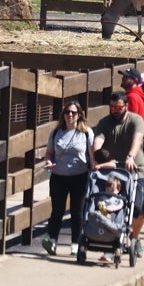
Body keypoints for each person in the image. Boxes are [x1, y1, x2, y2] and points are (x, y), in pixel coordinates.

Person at [92, 91, 144, 257]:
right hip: (112, 171)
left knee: (138, 209)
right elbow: (98, 141)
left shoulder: (135, 120)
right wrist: (97, 156)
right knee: (107, 206)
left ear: (126, 106)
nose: (114, 110)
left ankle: (135, 238)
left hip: (134, 171)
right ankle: (110, 239)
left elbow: (138, 139)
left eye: (118, 107)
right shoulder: (104, 122)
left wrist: (130, 156)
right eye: (112, 107)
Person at [41, 101, 93, 256]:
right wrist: (49, 162)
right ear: (63, 115)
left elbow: (91, 155)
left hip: (80, 176)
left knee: (77, 211)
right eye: (67, 112)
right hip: (58, 176)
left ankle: (76, 243)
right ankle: (52, 240)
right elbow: (49, 153)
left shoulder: (86, 133)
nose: (70, 115)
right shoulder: (56, 132)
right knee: (57, 210)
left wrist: (95, 169)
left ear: (79, 115)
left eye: (73, 113)